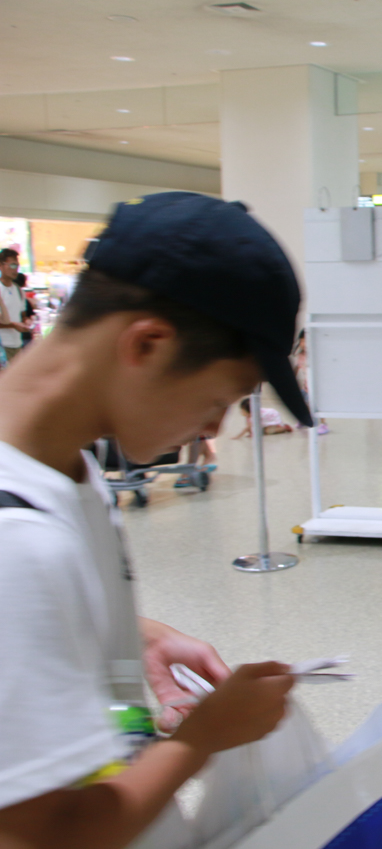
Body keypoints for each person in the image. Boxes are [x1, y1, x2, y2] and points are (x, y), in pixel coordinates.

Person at [0, 191, 306, 848]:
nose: (215, 426)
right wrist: (203, 738)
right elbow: (42, 836)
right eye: (220, 398)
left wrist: (126, 633)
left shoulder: (61, 464)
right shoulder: (16, 541)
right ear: (147, 344)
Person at [0, 249, 31, 364]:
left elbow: (22, 315)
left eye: (17, 265)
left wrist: (27, 321)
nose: (16, 269)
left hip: (17, 344)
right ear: (1, 265)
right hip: (2, 346)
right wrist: (13, 325)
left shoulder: (19, 290)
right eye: (12, 265)